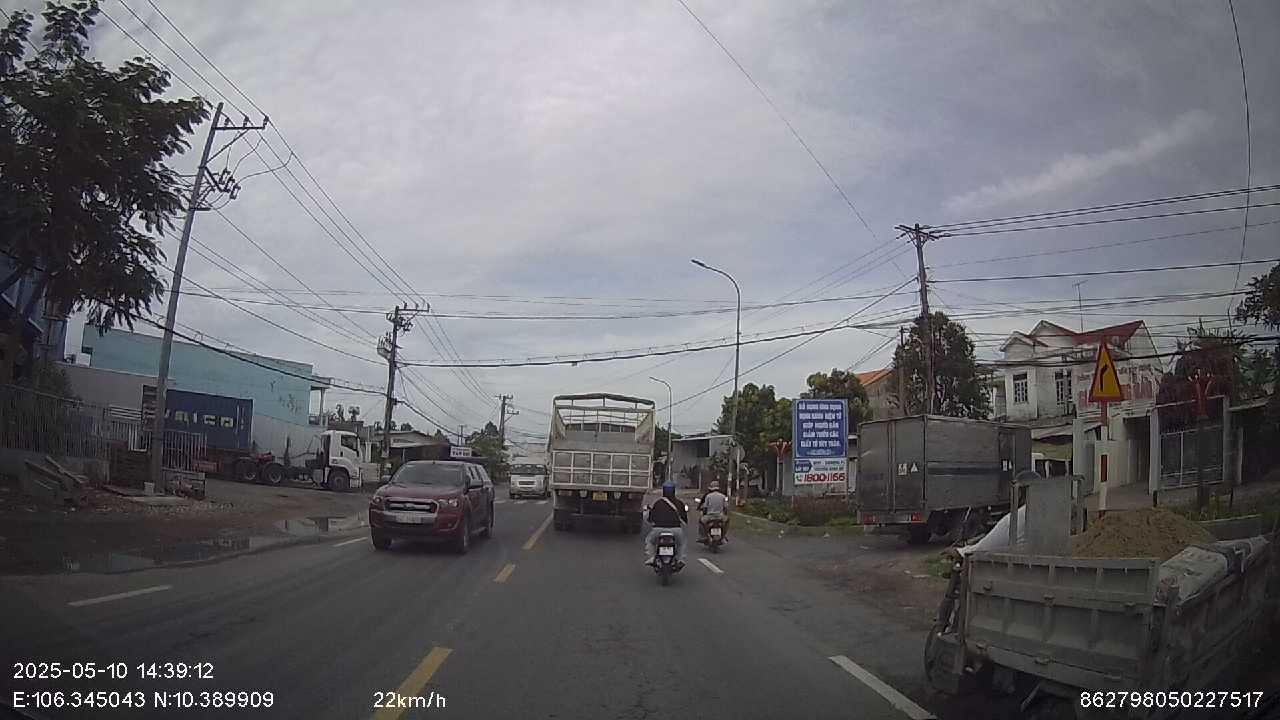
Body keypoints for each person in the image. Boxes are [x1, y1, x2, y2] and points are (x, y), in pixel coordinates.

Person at [644, 482, 687, 566]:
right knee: (681, 543)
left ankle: (652, 557)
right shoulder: (679, 503)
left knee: (650, 541)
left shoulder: (658, 503)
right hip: (676, 530)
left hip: (658, 529)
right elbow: (685, 519)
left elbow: (650, 518)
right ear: (674, 491)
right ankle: (680, 559)